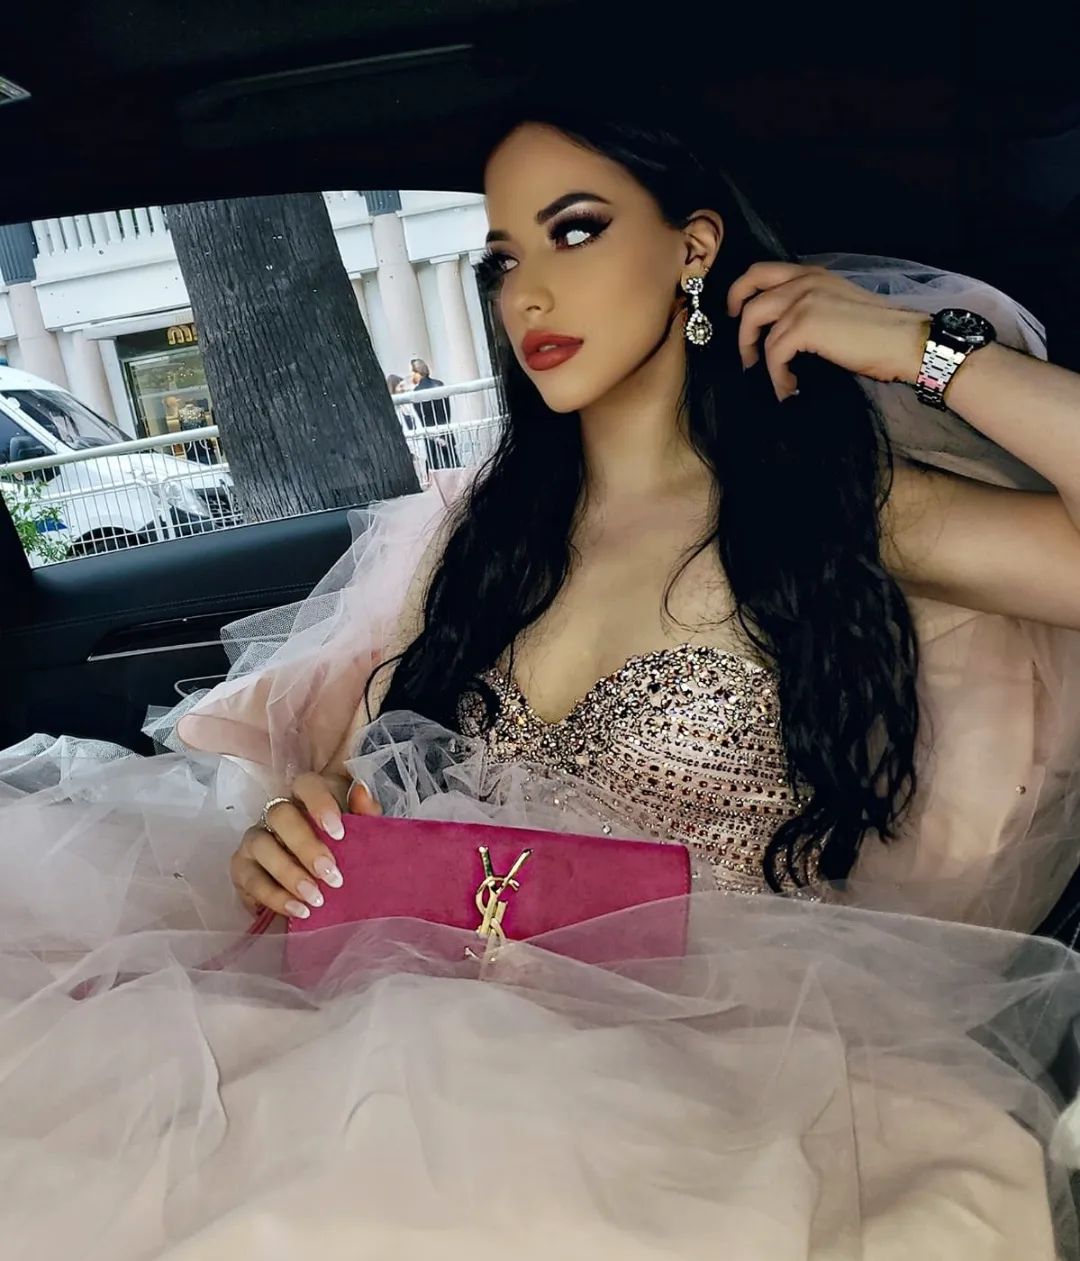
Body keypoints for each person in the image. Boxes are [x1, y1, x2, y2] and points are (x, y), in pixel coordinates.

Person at [4, 99, 1080, 1259]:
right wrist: (299, 834)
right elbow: (364, 787)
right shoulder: (482, 534)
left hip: (712, 1059)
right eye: (503, 259)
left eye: (574, 231)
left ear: (694, 246)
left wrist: (925, 353)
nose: (527, 293)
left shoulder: (831, 512)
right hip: (410, 1017)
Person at [409, 356, 461, 469]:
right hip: (444, 427)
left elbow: (420, 415)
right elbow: (447, 409)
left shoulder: (417, 392)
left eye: (412, 373)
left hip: (430, 431)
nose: (411, 376)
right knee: (452, 460)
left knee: (433, 464)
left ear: (417, 373)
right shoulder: (439, 384)